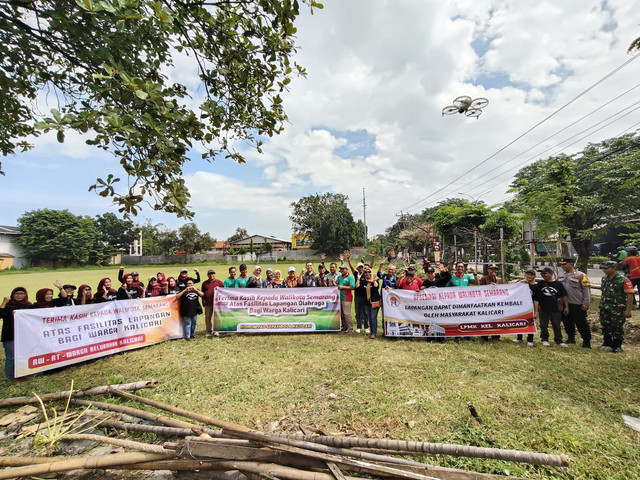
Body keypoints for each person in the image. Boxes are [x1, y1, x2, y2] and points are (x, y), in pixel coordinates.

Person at [599, 260, 634, 353]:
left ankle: (617, 345)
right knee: (605, 325)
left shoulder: (624, 280)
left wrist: (628, 310)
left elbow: (630, 295)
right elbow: (603, 292)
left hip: (617, 308)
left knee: (617, 326)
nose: (604, 270)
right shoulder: (604, 279)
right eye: (603, 268)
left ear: (614, 268)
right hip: (605, 307)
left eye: (607, 268)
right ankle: (607, 343)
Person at [557, 257, 592, 348]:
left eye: (564, 264)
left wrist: (586, 302)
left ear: (571, 264)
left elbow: (586, 290)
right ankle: (571, 338)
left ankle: (586, 341)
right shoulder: (560, 276)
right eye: (561, 264)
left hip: (577, 303)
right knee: (567, 322)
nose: (562, 266)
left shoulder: (581, 275)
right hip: (565, 304)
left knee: (581, 323)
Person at [1, 287, 31, 382]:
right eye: (16, 294)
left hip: (24, 336)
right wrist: (4, 302)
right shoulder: (8, 306)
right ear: (12, 295)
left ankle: (22, 375)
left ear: (25, 294)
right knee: (11, 357)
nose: (19, 296)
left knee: (24, 355)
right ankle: (11, 378)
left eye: (22, 293)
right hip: (10, 336)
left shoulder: (28, 305)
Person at [344, 250, 376, 334]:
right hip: (357, 296)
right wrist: (349, 259)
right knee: (357, 312)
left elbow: (371, 267)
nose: (361, 268)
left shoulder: (366, 274)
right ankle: (358, 327)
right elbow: (351, 267)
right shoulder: (356, 274)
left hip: (365, 296)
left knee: (365, 312)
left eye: (362, 267)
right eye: (359, 267)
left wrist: (373, 257)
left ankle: (366, 327)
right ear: (358, 268)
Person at [537, 267, 569, 347]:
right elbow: (537, 296)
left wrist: (566, 307)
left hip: (555, 308)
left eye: (545, 273)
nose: (543, 275)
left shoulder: (558, 284)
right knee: (543, 325)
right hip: (543, 308)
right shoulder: (540, 284)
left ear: (551, 274)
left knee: (556, 325)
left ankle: (558, 340)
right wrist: (538, 305)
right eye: (542, 274)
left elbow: (564, 296)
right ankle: (544, 339)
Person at [447, 262, 478, 342]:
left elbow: (477, 283)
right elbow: (445, 288)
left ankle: (467, 336)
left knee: (466, 318)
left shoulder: (467, 276)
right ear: (455, 268)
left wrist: (474, 273)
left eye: (461, 267)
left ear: (464, 268)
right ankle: (457, 336)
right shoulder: (451, 277)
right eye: (458, 267)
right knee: (456, 319)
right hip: (455, 302)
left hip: (466, 301)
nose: (460, 268)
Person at [513, 268, 541, 346]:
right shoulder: (521, 284)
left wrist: (536, 312)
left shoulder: (535, 287)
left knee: (530, 323)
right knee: (519, 322)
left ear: (534, 276)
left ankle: (530, 339)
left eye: (531, 275)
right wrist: (521, 281)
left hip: (530, 308)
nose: (529, 276)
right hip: (520, 306)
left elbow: (536, 301)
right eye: (527, 274)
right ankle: (519, 337)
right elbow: (512, 288)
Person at [357, 267, 381, 339]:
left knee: (373, 317)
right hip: (367, 302)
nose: (367, 274)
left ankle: (374, 333)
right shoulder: (364, 281)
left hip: (374, 302)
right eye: (366, 272)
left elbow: (376, 287)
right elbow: (357, 286)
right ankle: (371, 331)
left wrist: (373, 280)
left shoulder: (375, 281)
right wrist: (358, 278)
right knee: (369, 317)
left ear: (372, 273)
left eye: (369, 272)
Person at [479, 264, 501, 340]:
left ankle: (495, 335)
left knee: (496, 318)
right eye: (491, 269)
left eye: (494, 269)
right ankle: (485, 335)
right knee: (486, 319)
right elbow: (480, 289)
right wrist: (488, 286)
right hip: (485, 302)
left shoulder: (498, 280)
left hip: (495, 302)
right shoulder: (484, 278)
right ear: (488, 270)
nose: (493, 271)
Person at [201, 269, 223, 336]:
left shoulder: (219, 282)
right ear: (208, 275)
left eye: (213, 274)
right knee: (208, 317)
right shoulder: (204, 283)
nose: (211, 275)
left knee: (216, 317)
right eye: (210, 274)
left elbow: (223, 292)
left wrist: (219, 288)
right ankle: (208, 330)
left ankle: (216, 330)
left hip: (217, 303)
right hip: (208, 303)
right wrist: (203, 302)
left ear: (215, 274)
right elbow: (203, 293)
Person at [337, 264, 355, 333]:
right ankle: (344, 327)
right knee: (342, 313)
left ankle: (350, 328)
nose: (342, 270)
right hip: (340, 298)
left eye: (343, 269)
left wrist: (343, 287)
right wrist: (333, 282)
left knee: (346, 313)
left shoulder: (350, 278)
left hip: (347, 298)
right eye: (341, 269)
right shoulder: (339, 277)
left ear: (347, 269)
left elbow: (352, 287)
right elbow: (336, 285)